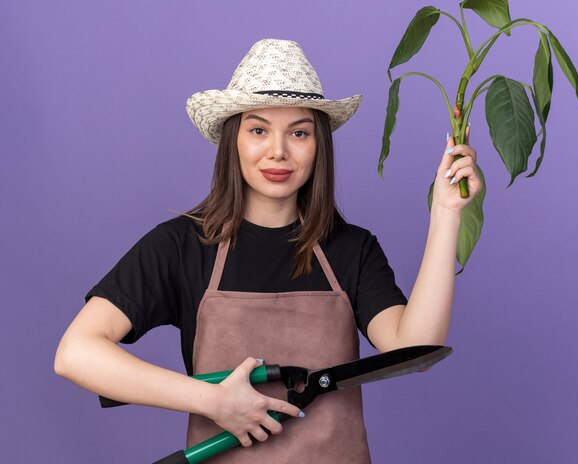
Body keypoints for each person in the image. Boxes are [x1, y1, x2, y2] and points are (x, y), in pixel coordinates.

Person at [54, 38, 482, 463]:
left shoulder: (352, 249)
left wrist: (446, 214)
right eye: (258, 130)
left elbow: (415, 350)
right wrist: (212, 401)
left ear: (319, 147)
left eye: (299, 132)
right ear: (233, 140)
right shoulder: (181, 246)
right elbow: (76, 353)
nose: (278, 151)